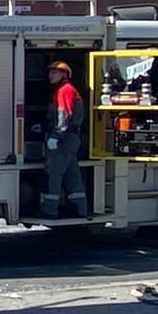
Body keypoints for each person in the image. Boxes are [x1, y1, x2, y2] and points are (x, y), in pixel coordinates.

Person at [42, 59, 89, 218]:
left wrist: (55, 136)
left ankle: (50, 211)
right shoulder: (63, 90)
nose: (51, 75)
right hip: (70, 139)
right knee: (72, 175)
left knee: (54, 174)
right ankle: (79, 209)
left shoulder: (64, 90)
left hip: (63, 140)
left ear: (64, 74)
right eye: (50, 72)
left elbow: (64, 115)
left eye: (55, 72)